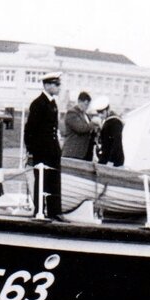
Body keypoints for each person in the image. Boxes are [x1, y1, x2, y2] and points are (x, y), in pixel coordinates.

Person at [24, 71, 64, 218]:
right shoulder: (38, 104)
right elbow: (30, 129)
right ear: (47, 85)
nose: (59, 87)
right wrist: (30, 150)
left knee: (54, 180)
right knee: (41, 180)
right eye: (56, 84)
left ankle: (55, 211)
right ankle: (39, 210)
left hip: (52, 150)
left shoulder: (52, 103)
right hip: (42, 150)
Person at [61, 91, 95, 161]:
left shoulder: (86, 115)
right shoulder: (72, 113)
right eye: (85, 104)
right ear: (79, 101)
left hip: (83, 154)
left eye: (88, 105)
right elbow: (80, 128)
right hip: (72, 153)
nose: (87, 107)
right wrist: (94, 123)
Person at [94, 96, 124, 167]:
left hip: (112, 161)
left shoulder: (115, 122)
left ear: (107, 110)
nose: (100, 115)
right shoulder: (108, 122)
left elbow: (116, 143)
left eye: (102, 113)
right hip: (106, 159)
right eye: (98, 113)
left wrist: (110, 161)